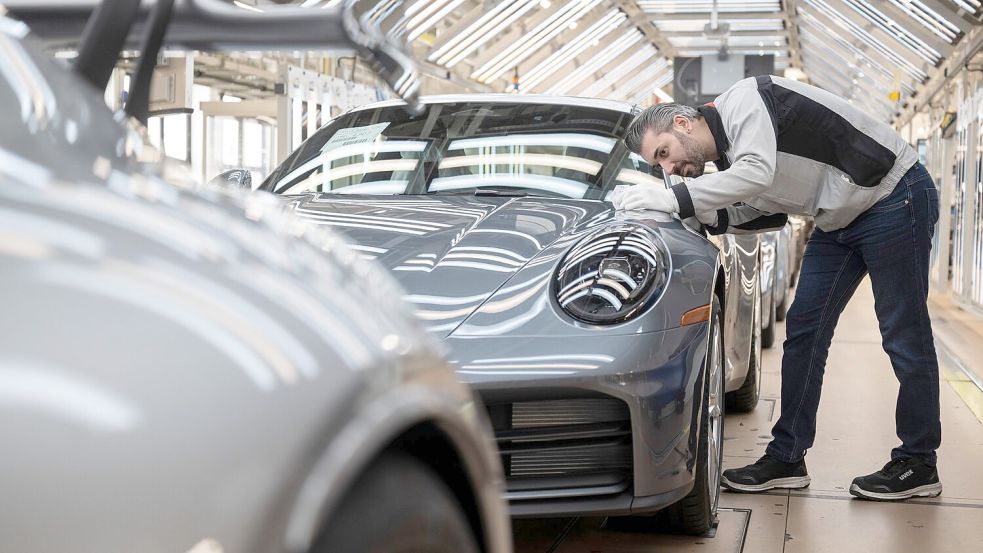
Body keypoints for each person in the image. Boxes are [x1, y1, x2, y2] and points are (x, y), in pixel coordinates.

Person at [615, 75, 942, 501]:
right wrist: (703, 216)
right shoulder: (732, 161)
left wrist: (674, 199)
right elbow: (767, 214)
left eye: (664, 153)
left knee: (903, 334)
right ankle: (787, 457)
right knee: (804, 331)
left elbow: (757, 173)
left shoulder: (745, 101)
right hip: (838, 220)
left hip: (894, 197)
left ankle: (918, 462)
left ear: (682, 123)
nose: (668, 169)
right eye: (658, 166)